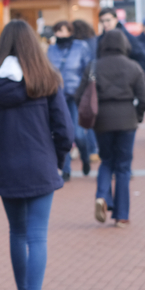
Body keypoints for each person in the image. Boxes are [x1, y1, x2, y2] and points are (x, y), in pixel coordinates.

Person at [0, 20, 72, 290]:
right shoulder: (47, 79)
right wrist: (57, 159)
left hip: (7, 167)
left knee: (17, 233)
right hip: (42, 165)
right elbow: (65, 130)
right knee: (37, 237)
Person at [87, 30, 145, 228]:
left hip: (102, 120)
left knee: (106, 161)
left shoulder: (94, 66)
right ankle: (122, 215)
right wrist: (137, 116)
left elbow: (83, 93)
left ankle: (102, 196)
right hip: (126, 120)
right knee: (123, 167)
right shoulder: (133, 66)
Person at [46, 20, 93, 179]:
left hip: (76, 95)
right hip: (57, 95)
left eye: (64, 31)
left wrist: (85, 91)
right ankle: (65, 169)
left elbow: (88, 70)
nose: (61, 35)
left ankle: (85, 158)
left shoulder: (81, 47)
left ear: (70, 32)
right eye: (58, 31)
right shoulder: (51, 50)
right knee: (62, 133)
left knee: (78, 134)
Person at [73, 19, 101, 161]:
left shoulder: (79, 45)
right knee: (90, 114)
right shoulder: (94, 41)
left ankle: (89, 148)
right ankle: (94, 149)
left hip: (82, 84)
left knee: (81, 117)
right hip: (93, 83)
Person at [97, 8, 145, 72]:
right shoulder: (100, 39)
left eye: (108, 20)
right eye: (102, 21)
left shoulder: (128, 38)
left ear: (115, 19)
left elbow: (144, 60)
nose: (105, 24)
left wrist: (130, 75)